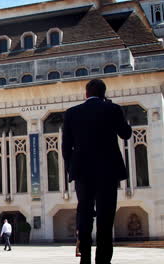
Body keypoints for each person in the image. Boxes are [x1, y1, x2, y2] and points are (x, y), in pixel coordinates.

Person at [62, 79, 132, 264]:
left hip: (83, 171)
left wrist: (71, 168)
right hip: (107, 171)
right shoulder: (113, 109)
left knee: (84, 213)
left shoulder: (72, 113)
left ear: (86, 94)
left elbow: (65, 147)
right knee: (105, 215)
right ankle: (103, 259)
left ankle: (84, 256)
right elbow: (126, 134)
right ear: (103, 93)